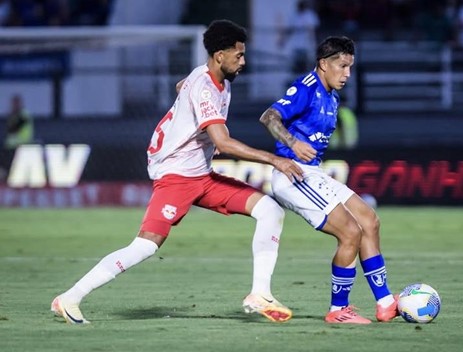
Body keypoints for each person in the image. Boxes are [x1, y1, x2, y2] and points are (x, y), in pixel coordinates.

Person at [51, 19, 304, 325]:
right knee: (145, 246)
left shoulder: (207, 76)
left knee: (270, 210)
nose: (244, 62)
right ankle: (70, 298)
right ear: (219, 56)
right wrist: (274, 160)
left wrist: (192, 113)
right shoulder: (206, 88)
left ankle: (259, 294)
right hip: (175, 176)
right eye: (238, 55)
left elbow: (180, 86)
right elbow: (221, 140)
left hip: (201, 175)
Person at [259, 36, 398, 324]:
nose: (347, 74)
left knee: (369, 220)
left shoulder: (332, 95)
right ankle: (338, 310)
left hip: (313, 172)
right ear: (324, 63)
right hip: (292, 173)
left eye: (350, 67)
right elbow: (269, 117)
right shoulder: (306, 88)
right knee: (350, 232)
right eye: (342, 66)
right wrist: (292, 142)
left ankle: (385, 302)